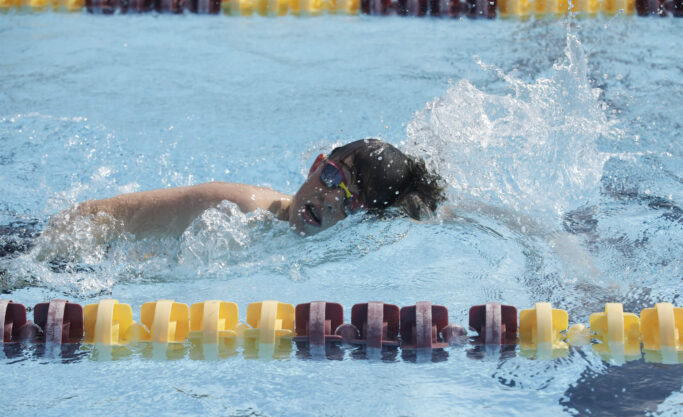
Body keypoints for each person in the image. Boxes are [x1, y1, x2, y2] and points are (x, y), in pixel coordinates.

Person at [50, 138, 447, 239]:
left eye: (352, 203)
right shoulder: (237, 207)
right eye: (331, 179)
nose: (329, 201)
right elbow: (102, 215)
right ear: (315, 165)